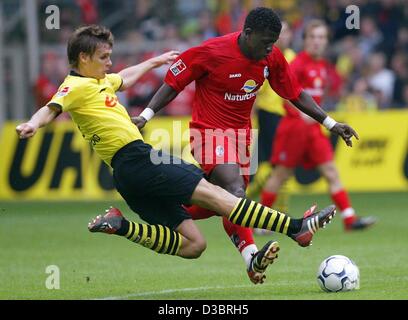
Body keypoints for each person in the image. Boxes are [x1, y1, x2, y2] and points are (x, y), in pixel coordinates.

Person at [15, 25, 337, 282]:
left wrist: (154, 62)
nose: (110, 63)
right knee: (222, 194)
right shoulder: (75, 87)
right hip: (138, 158)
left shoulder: (99, 82)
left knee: (194, 245)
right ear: (83, 58)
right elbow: (51, 108)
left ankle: (120, 225)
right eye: (104, 57)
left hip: (125, 178)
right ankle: (296, 228)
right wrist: (32, 123)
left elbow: (123, 78)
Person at [132, 8, 359, 284]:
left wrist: (331, 123)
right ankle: (284, 236)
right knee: (235, 190)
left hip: (242, 137)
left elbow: (295, 92)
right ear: (247, 33)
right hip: (209, 133)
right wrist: (145, 116)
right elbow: (173, 82)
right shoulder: (211, 52)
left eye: (273, 42)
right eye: (265, 41)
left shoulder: (270, 57)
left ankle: (162, 209)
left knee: (222, 203)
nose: (270, 48)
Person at [260, 20, 377, 231]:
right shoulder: (295, 65)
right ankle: (258, 222)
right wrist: (301, 114)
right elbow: (286, 96)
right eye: (312, 37)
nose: (317, 42)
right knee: (280, 175)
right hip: (294, 127)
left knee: (331, 171)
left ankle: (350, 219)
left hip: (314, 130)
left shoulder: (322, 66)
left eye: (321, 37)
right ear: (305, 40)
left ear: (326, 41)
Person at [247, 21, 295, 236]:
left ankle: (248, 202)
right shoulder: (266, 57)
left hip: (290, 120)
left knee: (283, 169)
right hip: (269, 116)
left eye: (286, 32)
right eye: (279, 33)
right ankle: (270, 214)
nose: (283, 37)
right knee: (275, 168)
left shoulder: (293, 58)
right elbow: (255, 90)